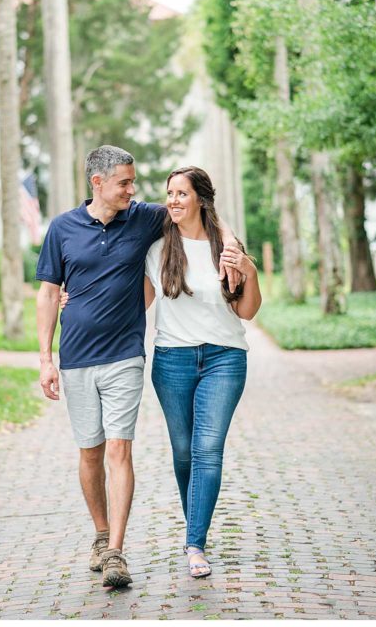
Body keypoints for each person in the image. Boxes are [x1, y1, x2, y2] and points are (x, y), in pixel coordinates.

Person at [35, 146, 241, 588]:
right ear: (98, 183)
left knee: (118, 450)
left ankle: (116, 552)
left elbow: (200, 210)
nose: (134, 189)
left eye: (134, 181)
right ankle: (100, 534)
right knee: (89, 452)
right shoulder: (63, 228)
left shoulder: (144, 215)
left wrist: (233, 244)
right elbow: (49, 292)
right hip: (75, 357)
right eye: (125, 182)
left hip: (127, 355)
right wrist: (45, 358)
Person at [143, 167, 261, 578]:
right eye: (169, 193)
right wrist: (78, 299)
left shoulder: (226, 250)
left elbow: (246, 311)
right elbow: (134, 303)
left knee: (206, 450)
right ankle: (196, 522)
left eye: (181, 193)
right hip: (172, 360)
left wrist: (249, 270)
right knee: (182, 451)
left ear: (200, 199)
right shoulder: (157, 249)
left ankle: (195, 543)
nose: (173, 200)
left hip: (224, 359)